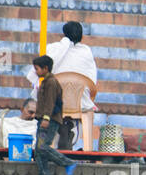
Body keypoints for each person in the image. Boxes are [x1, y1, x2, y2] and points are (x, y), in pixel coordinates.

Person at [27, 20, 97, 150]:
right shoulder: (87, 52)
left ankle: (61, 131)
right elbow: (92, 82)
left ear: (63, 35)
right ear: (81, 37)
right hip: (79, 103)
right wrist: (90, 97)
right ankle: (67, 128)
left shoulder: (52, 49)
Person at [29, 56, 76, 175]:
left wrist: (46, 118)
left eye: (37, 69)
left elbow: (50, 102)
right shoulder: (45, 81)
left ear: (45, 68)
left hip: (49, 121)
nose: (36, 72)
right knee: (39, 149)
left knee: (42, 147)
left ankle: (68, 163)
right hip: (44, 119)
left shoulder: (51, 82)